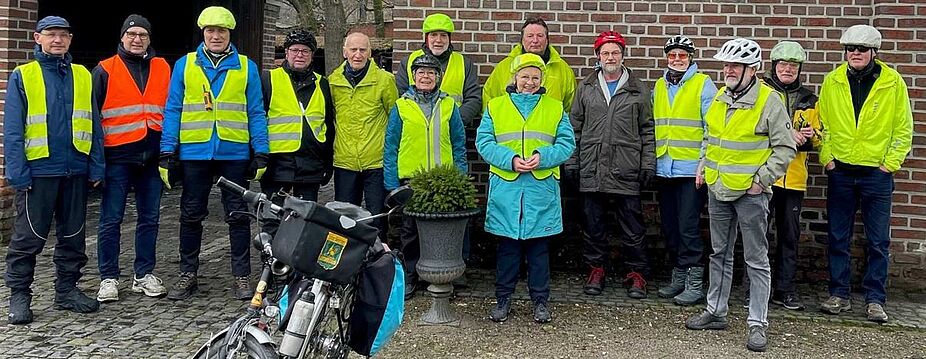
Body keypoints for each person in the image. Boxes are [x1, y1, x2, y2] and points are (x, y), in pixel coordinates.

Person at [684, 38, 795, 353]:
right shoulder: (721, 96)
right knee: (719, 252)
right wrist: (703, 166)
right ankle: (716, 311)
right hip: (718, 188)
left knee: (756, 259)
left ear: (752, 69)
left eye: (734, 65)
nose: (728, 70)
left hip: (750, 193)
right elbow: (710, 136)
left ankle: (757, 323)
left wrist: (762, 180)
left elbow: (785, 147)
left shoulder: (769, 101)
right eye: (726, 64)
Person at [159, 6, 270, 301]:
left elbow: (256, 111)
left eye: (221, 31)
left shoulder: (246, 67)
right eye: (211, 31)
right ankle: (187, 274)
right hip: (194, 152)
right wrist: (167, 150)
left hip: (234, 152)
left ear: (229, 33)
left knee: (237, 216)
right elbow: (172, 109)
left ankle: (241, 276)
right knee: (191, 214)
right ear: (203, 33)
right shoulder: (184, 65)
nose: (216, 36)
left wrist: (261, 151)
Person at [3, 15, 104, 324]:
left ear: (70, 40)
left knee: (73, 236)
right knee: (28, 238)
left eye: (63, 35)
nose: (57, 40)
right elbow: (13, 130)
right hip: (39, 173)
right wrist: (18, 173)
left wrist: (97, 165)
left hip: (75, 169)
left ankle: (67, 290)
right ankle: (19, 295)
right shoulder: (23, 75)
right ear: (37, 38)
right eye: (51, 34)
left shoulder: (83, 75)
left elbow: (95, 124)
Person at [817, 25, 912, 323]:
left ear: (874, 52)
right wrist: (827, 158)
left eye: (861, 48)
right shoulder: (831, 81)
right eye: (850, 48)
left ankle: (875, 299)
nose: (855, 53)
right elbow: (824, 125)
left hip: (877, 175)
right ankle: (839, 294)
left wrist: (889, 164)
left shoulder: (893, 83)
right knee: (837, 237)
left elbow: (903, 128)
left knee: (878, 241)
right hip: (841, 171)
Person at [476, 53, 575, 324]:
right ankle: (503, 299)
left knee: (539, 250)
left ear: (542, 79)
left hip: (539, 189)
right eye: (524, 76)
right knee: (507, 249)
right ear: (515, 78)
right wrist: (509, 160)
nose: (529, 82)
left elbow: (566, 144)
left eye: (535, 77)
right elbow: (484, 142)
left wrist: (542, 157)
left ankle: (540, 302)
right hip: (507, 190)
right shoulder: (496, 106)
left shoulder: (555, 108)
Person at [570, 31, 655, 299]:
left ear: (622, 55)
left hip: (625, 167)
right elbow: (574, 128)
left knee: (633, 227)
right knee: (593, 225)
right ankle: (596, 269)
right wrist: (573, 163)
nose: (611, 57)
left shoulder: (637, 88)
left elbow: (647, 129)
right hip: (592, 167)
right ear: (598, 56)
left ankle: (637, 274)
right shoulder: (585, 87)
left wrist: (648, 164)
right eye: (605, 53)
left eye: (615, 52)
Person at [93, 14, 169, 303]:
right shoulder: (104, 70)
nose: (137, 39)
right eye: (132, 34)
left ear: (149, 39)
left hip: (152, 157)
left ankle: (143, 274)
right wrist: (96, 163)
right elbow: (93, 120)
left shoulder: (163, 68)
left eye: (143, 35)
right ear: (122, 37)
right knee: (111, 219)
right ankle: (108, 277)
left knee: (150, 218)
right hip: (117, 157)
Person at [384, 54, 468, 299]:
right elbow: (391, 147)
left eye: (431, 73)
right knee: (410, 231)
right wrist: (391, 183)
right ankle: (410, 276)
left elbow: (459, 144)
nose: (425, 76)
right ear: (413, 77)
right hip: (411, 179)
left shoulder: (449, 105)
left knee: (442, 232)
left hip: (442, 180)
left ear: (438, 77)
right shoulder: (401, 106)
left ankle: (444, 276)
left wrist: (459, 178)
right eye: (421, 72)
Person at [651, 35, 717, 305]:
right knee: (670, 226)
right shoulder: (659, 85)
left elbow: (711, 128)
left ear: (691, 58)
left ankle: (695, 281)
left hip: (692, 170)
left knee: (688, 226)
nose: (677, 60)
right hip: (664, 167)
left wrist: (704, 163)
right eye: (672, 55)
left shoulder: (703, 84)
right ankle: (678, 276)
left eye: (682, 55)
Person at [761, 41, 822, 311]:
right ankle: (755, 289)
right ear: (774, 66)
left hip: (794, 179)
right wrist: (788, 136)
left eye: (793, 66)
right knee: (756, 237)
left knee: (789, 237)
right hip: (763, 177)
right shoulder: (760, 91)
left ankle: (784, 289)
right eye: (783, 65)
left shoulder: (810, 99)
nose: (788, 70)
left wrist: (810, 139)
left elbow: (819, 137)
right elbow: (752, 130)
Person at [259, 29, 334, 235]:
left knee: (306, 220)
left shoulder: (322, 83)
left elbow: (329, 124)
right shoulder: (269, 79)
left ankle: (298, 265)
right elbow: (258, 119)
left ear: (312, 55)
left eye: (305, 51)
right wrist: (258, 156)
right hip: (277, 162)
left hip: (310, 161)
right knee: (272, 216)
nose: (299, 55)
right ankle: (272, 261)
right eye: (295, 50)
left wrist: (328, 161)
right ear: (286, 53)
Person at [328, 32, 398, 235]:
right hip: (345, 161)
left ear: (370, 53)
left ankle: (377, 262)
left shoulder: (384, 81)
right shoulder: (333, 82)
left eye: (362, 50)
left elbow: (394, 120)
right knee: (345, 220)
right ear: (344, 52)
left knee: (376, 217)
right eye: (353, 49)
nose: (357, 55)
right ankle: (348, 264)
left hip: (375, 161)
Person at [396, 13, 481, 126]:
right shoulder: (408, 62)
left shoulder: (465, 63)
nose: (438, 40)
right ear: (426, 38)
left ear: (449, 38)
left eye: (443, 35)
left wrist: (454, 122)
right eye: (433, 35)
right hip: (416, 129)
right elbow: (400, 95)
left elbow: (474, 99)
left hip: (452, 131)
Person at [482, 17, 576, 113]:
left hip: (549, 127)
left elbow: (571, 106)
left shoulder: (563, 69)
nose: (535, 40)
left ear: (547, 40)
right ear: (522, 41)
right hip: (511, 127)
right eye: (530, 36)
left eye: (540, 35)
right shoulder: (504, 67)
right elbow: (489, 99)